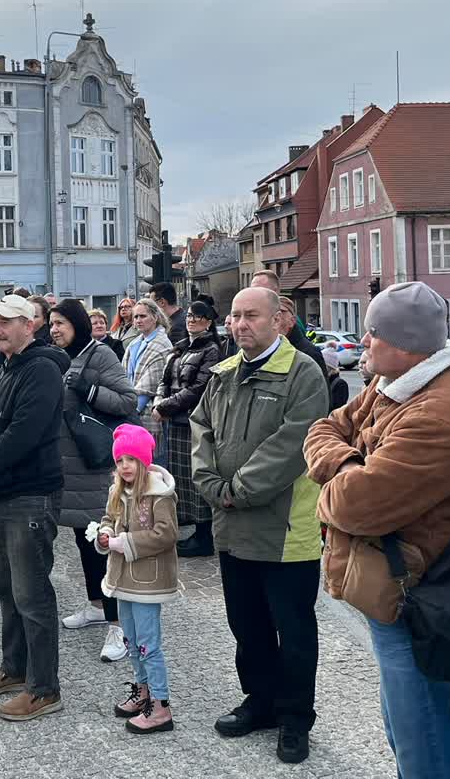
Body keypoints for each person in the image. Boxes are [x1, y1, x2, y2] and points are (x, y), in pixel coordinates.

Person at [304, 281, 450, 778]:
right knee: (407, 733)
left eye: (373, 333)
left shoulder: (440, 414)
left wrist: (338, 480)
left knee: (425, 748)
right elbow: (324, 427)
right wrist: (351, 464)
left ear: (407, 344)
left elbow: (352, 507)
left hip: (420, 599)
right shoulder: (397, 383)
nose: (363, 342)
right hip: (395, 592)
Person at [192, 286, 329, 765]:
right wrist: (210, 483)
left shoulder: (302, 373)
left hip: (285, 531)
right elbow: (202, 430)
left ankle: (295, 717)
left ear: (278, 320)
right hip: (233, 526)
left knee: (293, 629)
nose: (239, 324)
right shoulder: (224, 373)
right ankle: (261, 700)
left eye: (251, 315)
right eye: (234, 316)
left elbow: (293, 445)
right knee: (246, 623)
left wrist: (235, 490)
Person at [0, 293, 67, 721]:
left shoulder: (42, 369)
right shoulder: (1, 369)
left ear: (30, 325)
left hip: (30, 494)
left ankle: (44, 688)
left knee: (31, 593)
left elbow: (25, 432)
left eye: (6, 322)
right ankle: (15, 668)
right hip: (1, 494)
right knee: (3, 586)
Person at [47, 298, 134, 662]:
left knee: (103, 542)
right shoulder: (59, 356)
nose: (54, 329)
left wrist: (89, 389)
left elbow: (127, 401)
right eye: (51, 323)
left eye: (61, 323)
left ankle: (120, 626)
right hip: (70, 466)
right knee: (83, 540)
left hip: (94, 464)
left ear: (78, 324)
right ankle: (97, 606)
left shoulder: (100, 354)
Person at [91, 424, 182, 734]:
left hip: (147, 581)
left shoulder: (159, 494)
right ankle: (142, 691)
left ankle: (161, 705)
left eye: (131, 459)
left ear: (143, 460)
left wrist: (124, 542)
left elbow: (166, 534)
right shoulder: (117, 491)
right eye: (119, 460)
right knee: (131, 640)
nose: (125, 466)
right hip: (123, 579)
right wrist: (105, 534)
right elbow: (108, 519)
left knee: (148, 645)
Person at [153, 299, 224, 558]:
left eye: (198, 316)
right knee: (181, 479)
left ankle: (204, 537)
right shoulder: (181, 347)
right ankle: (195, 531)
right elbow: (165, 379)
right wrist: (159, 401)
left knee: (196, 479)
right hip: (175, 420)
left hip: (193, 421)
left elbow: (198, 388)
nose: (192, 320)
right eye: (190, 316)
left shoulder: (212, 349)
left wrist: (165, 407)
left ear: (208, 321)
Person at [250, 276, 328, 386]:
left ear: (292, 320)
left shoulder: (307, 352)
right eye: (273, 314)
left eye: (282, 312)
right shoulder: (262, 347)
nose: (277, 318)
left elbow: (320, 389)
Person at [122, 299, 173, 452]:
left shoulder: (162, 344)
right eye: (136, 317)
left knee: (150, 460)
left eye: (143, 316)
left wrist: (132, 411)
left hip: (148, 411)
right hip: (130, 406)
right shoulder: (134, 343)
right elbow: (123, 375)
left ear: (155, 317)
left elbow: (150, 384)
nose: (138, 320)